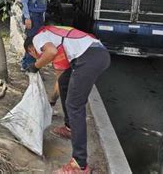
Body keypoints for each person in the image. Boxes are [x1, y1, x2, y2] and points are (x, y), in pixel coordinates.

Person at [24, 26, 111, 174]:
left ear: (31, 49)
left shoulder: (39, 38)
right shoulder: (60, 44)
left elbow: (50, 52)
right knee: (65, 81)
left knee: (75, 105)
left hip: (90, 56)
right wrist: (51, 101)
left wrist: (35, 66)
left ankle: (80, 164)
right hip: (95, 54)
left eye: (32, 55)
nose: (36, 56)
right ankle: (70, 127)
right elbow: (60, 80)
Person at [20, 0, 47, 70]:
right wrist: (27, 17)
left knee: (34, 40)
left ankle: (25, 64)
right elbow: (24, 0)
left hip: (39, 14)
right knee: (32, 41)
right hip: (33, 15)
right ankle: (30, 67)